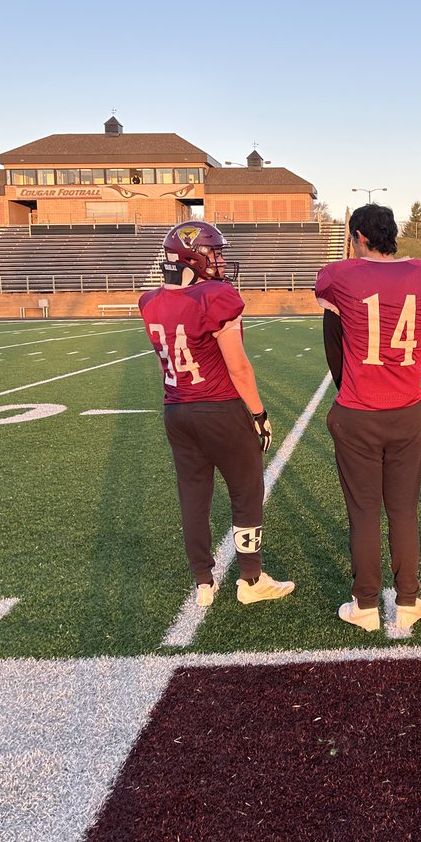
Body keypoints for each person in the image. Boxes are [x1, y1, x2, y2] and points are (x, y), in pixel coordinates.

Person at [139, 220, 294, 607]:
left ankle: (203, 581)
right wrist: (258, 414)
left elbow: (168, 356)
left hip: (176, 410)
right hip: (219, 408)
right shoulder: (215, 297)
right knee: (246, 490)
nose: (220, 260)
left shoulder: (150, 301)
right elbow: (239, 367)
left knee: (193, 495)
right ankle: (251, 578)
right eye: (214, 252)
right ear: (192, 256)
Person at [315, 204, 421, 632]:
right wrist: (409, 376)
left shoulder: (340, 276)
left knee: (364, 512)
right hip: (407, 409)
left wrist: (348, 389)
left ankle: (367, 605)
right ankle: (408, 600)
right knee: (404, 510)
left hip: (358, 410)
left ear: (358, 236)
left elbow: (332, 344)